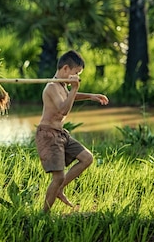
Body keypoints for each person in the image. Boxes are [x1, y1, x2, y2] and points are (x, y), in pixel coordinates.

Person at [35, 50, 109, 212]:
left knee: (86, 158)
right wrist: (75, 88)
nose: (77, 77)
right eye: (76, 73)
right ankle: (43, 214)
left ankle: (59, 189)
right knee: (58, 176)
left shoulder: (62, 85)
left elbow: (69, 96)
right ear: (66, 69)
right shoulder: (52, 87)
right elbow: (63, 110)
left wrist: (90, 96)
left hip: (60, 133)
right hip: (48, 135)